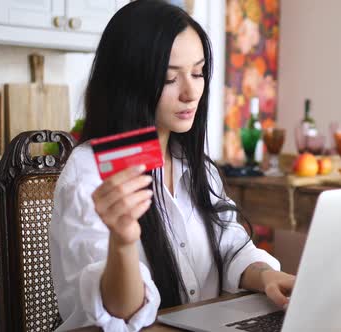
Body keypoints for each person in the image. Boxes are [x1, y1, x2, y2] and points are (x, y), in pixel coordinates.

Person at [48, 1, 295, 330]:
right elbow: (119, 314)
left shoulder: (193, 165)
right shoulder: (90, 173)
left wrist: (267, 277)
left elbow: (231, 245)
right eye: (169, 79)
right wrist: (122, 242)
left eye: (198, 72)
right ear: (129, 83)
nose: (192, 92)